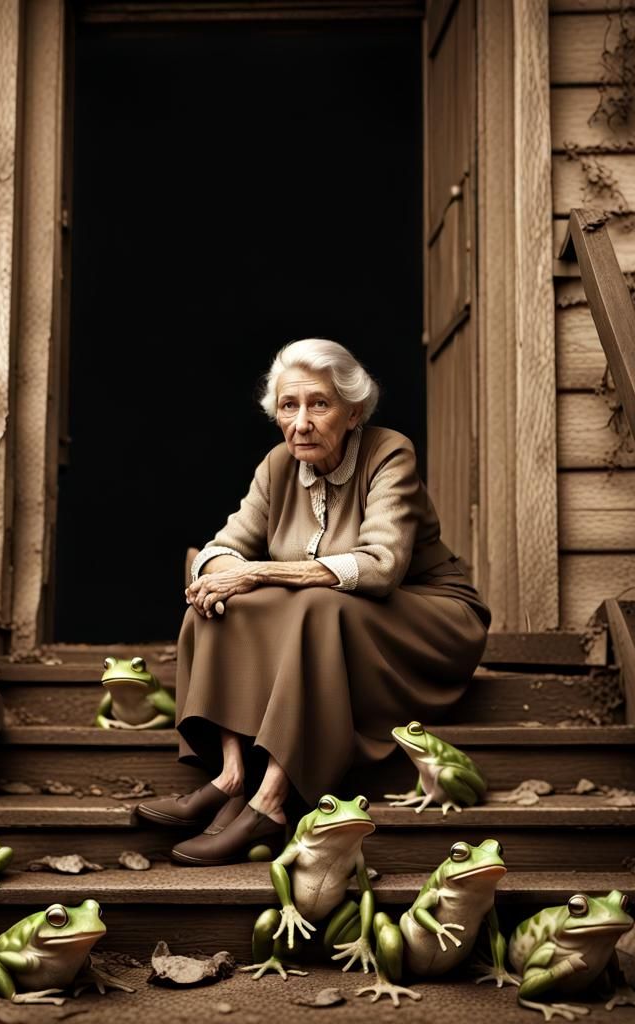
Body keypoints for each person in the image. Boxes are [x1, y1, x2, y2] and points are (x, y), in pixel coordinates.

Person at [136, 338, 491, 865]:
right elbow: (222, 547)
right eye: (288, 405)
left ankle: (271, 802)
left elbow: (381, 567)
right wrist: (218, 576)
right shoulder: (278, 466)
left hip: (428, 619)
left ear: (352, 413)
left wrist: (257, 573)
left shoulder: (389, 452)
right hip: (336, 620)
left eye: (318, 404)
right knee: (213, 602)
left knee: (314, 606)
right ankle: (232, 775)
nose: (300, 422)